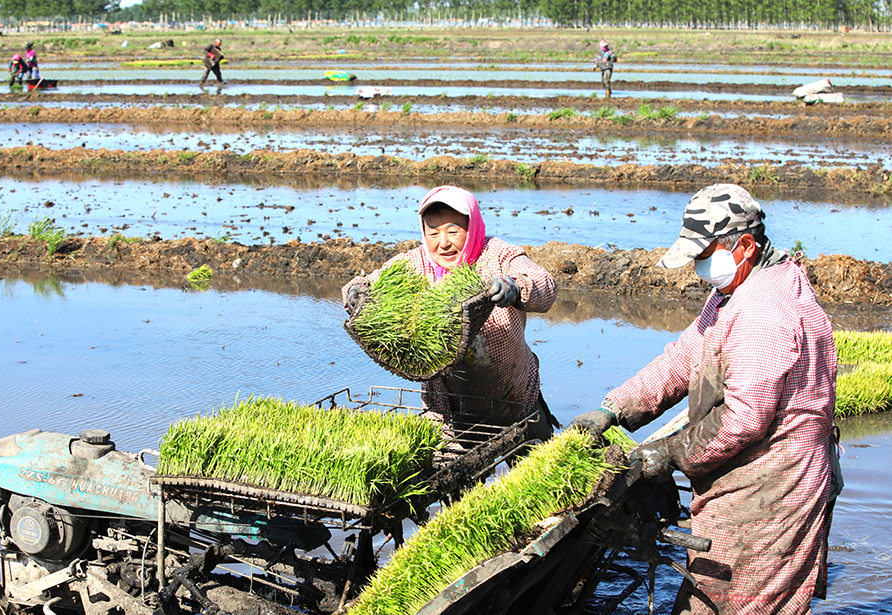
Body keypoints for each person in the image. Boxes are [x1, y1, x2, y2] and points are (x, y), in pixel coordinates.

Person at [570, 184, 839, 614]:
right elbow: (683, 359)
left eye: (703, 254)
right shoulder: (734, 291)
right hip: (746, 476)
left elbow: (743, 418)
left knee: (737, 603)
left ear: (745, 246)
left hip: (770, 491)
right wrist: (613, 408)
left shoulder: (764, 310)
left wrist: (666, 454)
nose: (698, 267)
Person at [342, 185, 560, 442]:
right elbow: (365, 284)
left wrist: (514, 287)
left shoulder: (497, 255)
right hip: (448, 408)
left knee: (542, 473)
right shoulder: (413, 265)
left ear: (472, 227)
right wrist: (354, 293)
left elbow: (545, 283)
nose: (443, 243)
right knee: (450, 476)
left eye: (453, 231)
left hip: (513, 396)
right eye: (433, 233)